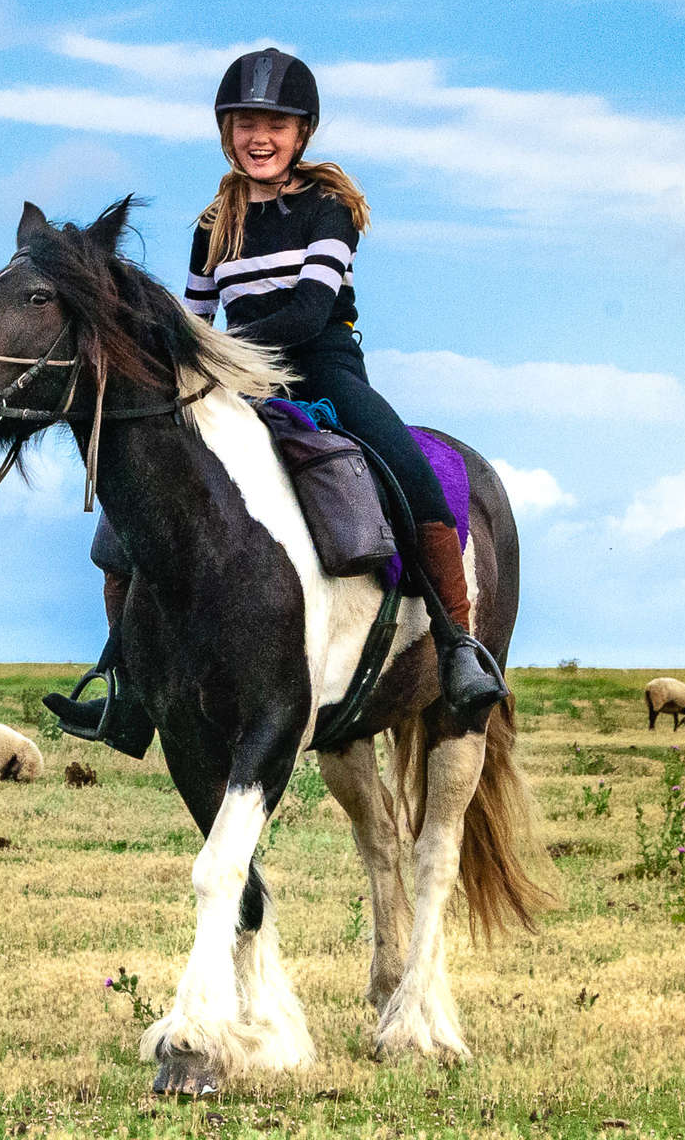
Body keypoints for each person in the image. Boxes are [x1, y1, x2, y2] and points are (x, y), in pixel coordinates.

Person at [45, 47, 508, 754]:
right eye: (243, 123)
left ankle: (458, 648)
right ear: (225, 132)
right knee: (123, 522)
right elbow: (195, 318)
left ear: (303, 133)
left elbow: (306, 312)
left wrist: (211, 354)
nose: (258, 137)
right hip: (236, 381)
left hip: (323, 368)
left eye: (275, 124)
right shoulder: (212, 226)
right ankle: (131, 686)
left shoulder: (328, 211)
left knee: (413, 478)